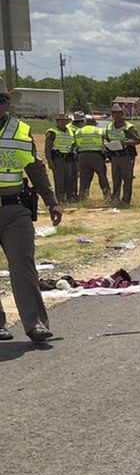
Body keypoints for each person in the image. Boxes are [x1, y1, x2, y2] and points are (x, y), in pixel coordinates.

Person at [0, 89, 61, 343]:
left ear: (7, 104)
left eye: (1, 101)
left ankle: (35, 323)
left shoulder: (21, 130)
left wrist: (52, 201)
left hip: (14, 209)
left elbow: (35, 169)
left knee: (24, 265)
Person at [104, 104, 140, 205]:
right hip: (114, 155)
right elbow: (106, 137)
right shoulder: (109, 126)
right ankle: (115, 198)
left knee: (127, 178)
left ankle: (126, 200)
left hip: (126, 155)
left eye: (118, 113)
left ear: (122, 115)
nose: (116, 116)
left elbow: (138, 140)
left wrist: (125, 143)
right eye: (114, 113)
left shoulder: (128, 127)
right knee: (116, 178)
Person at [44, 111, 79, 203]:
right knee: (59, 180)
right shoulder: (52, 132)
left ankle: (69, 198)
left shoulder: (71, 131)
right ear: (57, 121)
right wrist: (50, 161)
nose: (63, 122)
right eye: (61, 120)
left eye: (65, 120)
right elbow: (47, 148)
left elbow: (74, 144)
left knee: (70, 179)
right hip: (58, 159)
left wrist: (73, 151)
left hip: (68, 159)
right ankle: (59, 199)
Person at [75, 111, 109, 201]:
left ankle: (82, 197)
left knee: (84, 178)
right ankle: (107, 195)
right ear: (94, 123)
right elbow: (104, 142)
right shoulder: (99, 130)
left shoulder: (78, 131)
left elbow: (76, 144)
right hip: (96, 156)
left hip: (82, 156)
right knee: (102, 176)